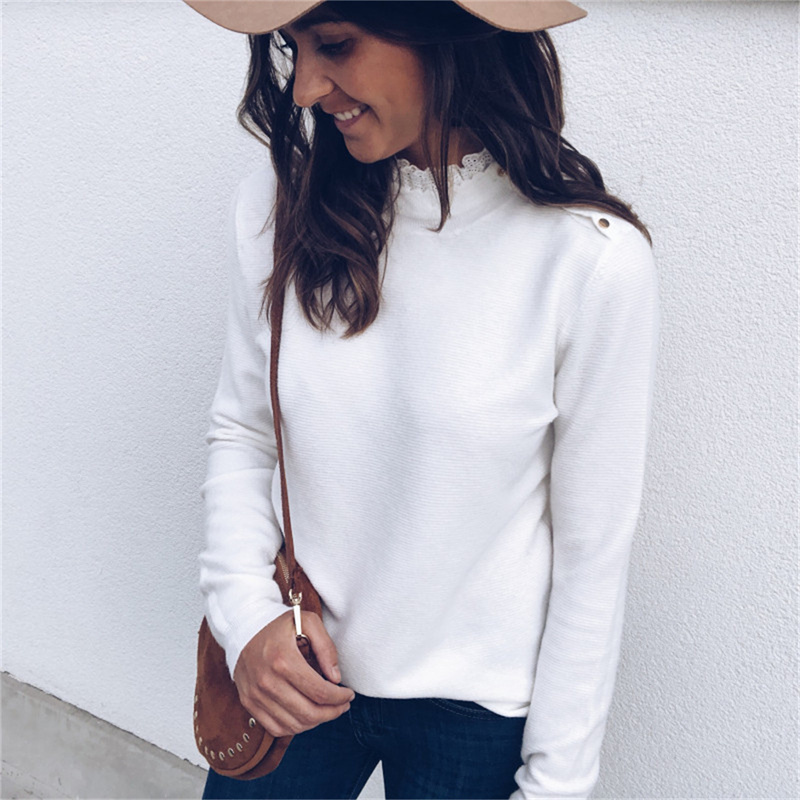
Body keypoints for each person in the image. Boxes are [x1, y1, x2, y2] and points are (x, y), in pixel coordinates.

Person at [183, 1, 661, 798]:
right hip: (296, 664)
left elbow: (592, 554)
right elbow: (245, 431)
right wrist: (246, 619)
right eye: (293, 50)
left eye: (335, 45)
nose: (305, 88)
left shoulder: (587, 259)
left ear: (441, 33)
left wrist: (556, 786)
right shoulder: (282, 204)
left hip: (476, 714)